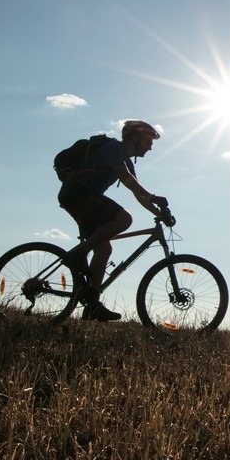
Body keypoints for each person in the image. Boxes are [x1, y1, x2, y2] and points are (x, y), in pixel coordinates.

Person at [57, 119, 172, 321]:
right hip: (78, 194)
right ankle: (78, 254)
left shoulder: (126, 160)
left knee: (104, 249)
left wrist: (158, 213)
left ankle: (91, 304)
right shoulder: (113, 149)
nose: (151, 147)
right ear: (135, 138)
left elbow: (138, 193)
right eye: (148, 141)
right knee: (124, 219)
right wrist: (154, 197)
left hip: (81, 196)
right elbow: (127, 180)